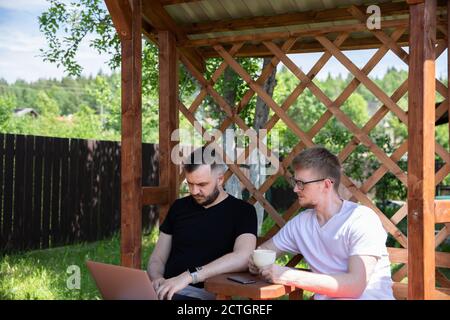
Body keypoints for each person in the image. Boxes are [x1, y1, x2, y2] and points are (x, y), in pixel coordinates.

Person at [249, 146, 395, 300]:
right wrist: (255, 261)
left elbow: (355, 286)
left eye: (301, 183)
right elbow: (265, 250)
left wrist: (287, 275)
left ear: (326, 184)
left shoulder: (361, 219)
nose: (295, 189)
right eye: (295, 182)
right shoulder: (300, 224)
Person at [148, 146, 257, 300]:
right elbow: (157, 258)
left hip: (205, 293)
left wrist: (189, 276)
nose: (194, 191)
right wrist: (157, 278)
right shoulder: (179, 207)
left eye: (202, 185)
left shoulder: (243, 211)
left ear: (220, 179)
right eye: (190, 183)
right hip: (166, 289)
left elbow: (243, 257)